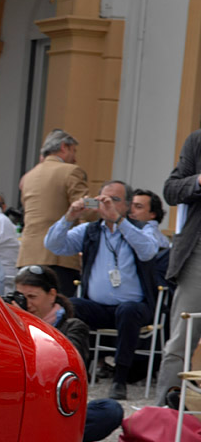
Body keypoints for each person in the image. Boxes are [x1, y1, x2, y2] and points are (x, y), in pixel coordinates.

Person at [44, 180, 160, 399]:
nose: (108, 205)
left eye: (115, 200)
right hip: (98, 306)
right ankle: (74, 372)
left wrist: (118, 221)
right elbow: (53, 245)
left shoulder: (141, 229)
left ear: (127, 205)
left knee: (127, 310)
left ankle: (120, 379)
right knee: (72, 305)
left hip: (133, 308)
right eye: (103, 200)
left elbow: (148, 252)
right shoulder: (90, 230)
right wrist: (69, 216)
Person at [12, 265, 123, 442]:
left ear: (52, 294)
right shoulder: (12, 323)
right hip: (20, 406)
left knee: (110, 410)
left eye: (32, 297)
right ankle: (56, 440)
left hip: (54, 407)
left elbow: (68, 366)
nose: (26, 304)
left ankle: (38, 437)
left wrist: (28, 324)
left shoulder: (72, 326)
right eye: (21, 297)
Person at [155, 128, 201, 406]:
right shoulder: (197, 141)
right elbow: (171, 190)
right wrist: (198, 181)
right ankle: (164, 419)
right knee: (181, 341)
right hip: (198, 251)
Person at [17, 129, 90, 297]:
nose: (75, 157)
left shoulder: (28, 176)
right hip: (58, 258)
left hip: (28, 254)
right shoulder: (71, 171)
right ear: (64, 147)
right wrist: (104, 205)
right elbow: (85, 207)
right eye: (74, 151)